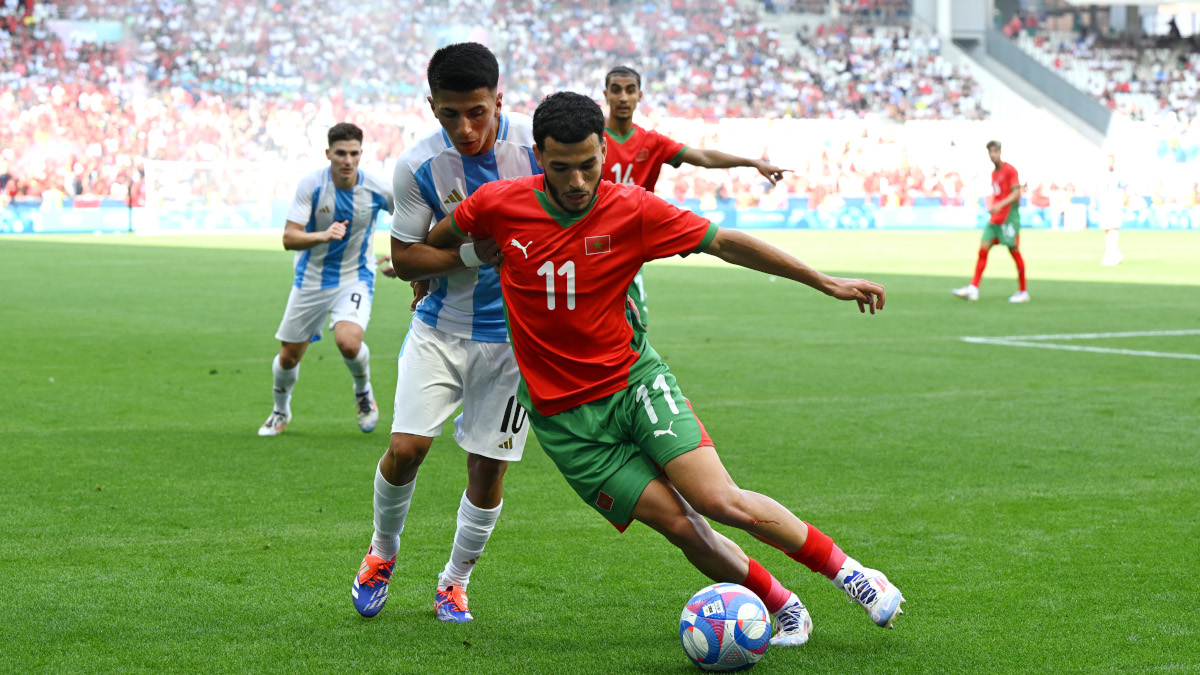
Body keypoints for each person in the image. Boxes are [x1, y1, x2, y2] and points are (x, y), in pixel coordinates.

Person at [427, 92, 905, 646]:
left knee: (718, 500)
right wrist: (429, 273)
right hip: (566, 424)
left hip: (635, 384)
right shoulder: (497, 203)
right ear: (539, 157)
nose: (578, 181)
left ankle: (854, 577)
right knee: (685, 529)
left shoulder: (633, 209)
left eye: (589, 164)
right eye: (561, 168)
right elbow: (438, 242)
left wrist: (827, 281)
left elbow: (725, 243)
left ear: (604, 150)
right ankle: (784, 605)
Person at [351, 42, 541, 624]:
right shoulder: (416, 164)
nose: (465, 127)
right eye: (449, 114)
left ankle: (454, 581)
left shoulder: (539, 147)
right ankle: (382, 552)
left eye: (477, 112)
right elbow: (405, 260)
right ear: (431, 105)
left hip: (515, 342)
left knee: (487, 468)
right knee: (407, 448)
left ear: (498, 100)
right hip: (441, 329)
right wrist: (472, 254)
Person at [601, 66, 786, 326]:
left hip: (630, 236)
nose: (623, 97)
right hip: (595, 232)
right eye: (616, 90)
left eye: (630, 90)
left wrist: (751, 161)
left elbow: (702, 157)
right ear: (605, 94)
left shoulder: (652, 142)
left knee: (636, 322)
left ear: (639, 95)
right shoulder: (593, 139)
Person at [260, 122, 395, 437]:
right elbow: (289, 238)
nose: (348, 160)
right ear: (328, 154)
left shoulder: (377, 187)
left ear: (361, 154)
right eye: (340, 153)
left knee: (348, 342)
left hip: (356, 277)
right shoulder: (312, 185)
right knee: (289, 356)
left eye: (354, 153)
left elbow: (411, 218)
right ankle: (280, 411)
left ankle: (364, 393)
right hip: (311, 279)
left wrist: (401, 259)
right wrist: (324, 235)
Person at [953, 140, 1029, 303]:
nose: (993, 155)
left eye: (995, 151)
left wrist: (999, 205)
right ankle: (973, 288)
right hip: (996, 219)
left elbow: (1016, 194)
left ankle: (1023, 292)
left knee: (1014, 252)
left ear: (1000, 152)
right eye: (990, 152)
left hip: (1009, 218)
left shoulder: (1010, 170)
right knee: (983, 249)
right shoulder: (994, 173)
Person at [1096, 154, 1125, 266]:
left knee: (1113, 227)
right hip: (1104, 203)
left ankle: (1112, 254)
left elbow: (1124, 187)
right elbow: (1096, 187)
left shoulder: (1118, 174)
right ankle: (1114, 253)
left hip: (1114, 203)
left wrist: (1125, 200)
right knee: (1106, 228)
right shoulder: (1101, 174)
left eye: (1111, 161)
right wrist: (1094, 201)